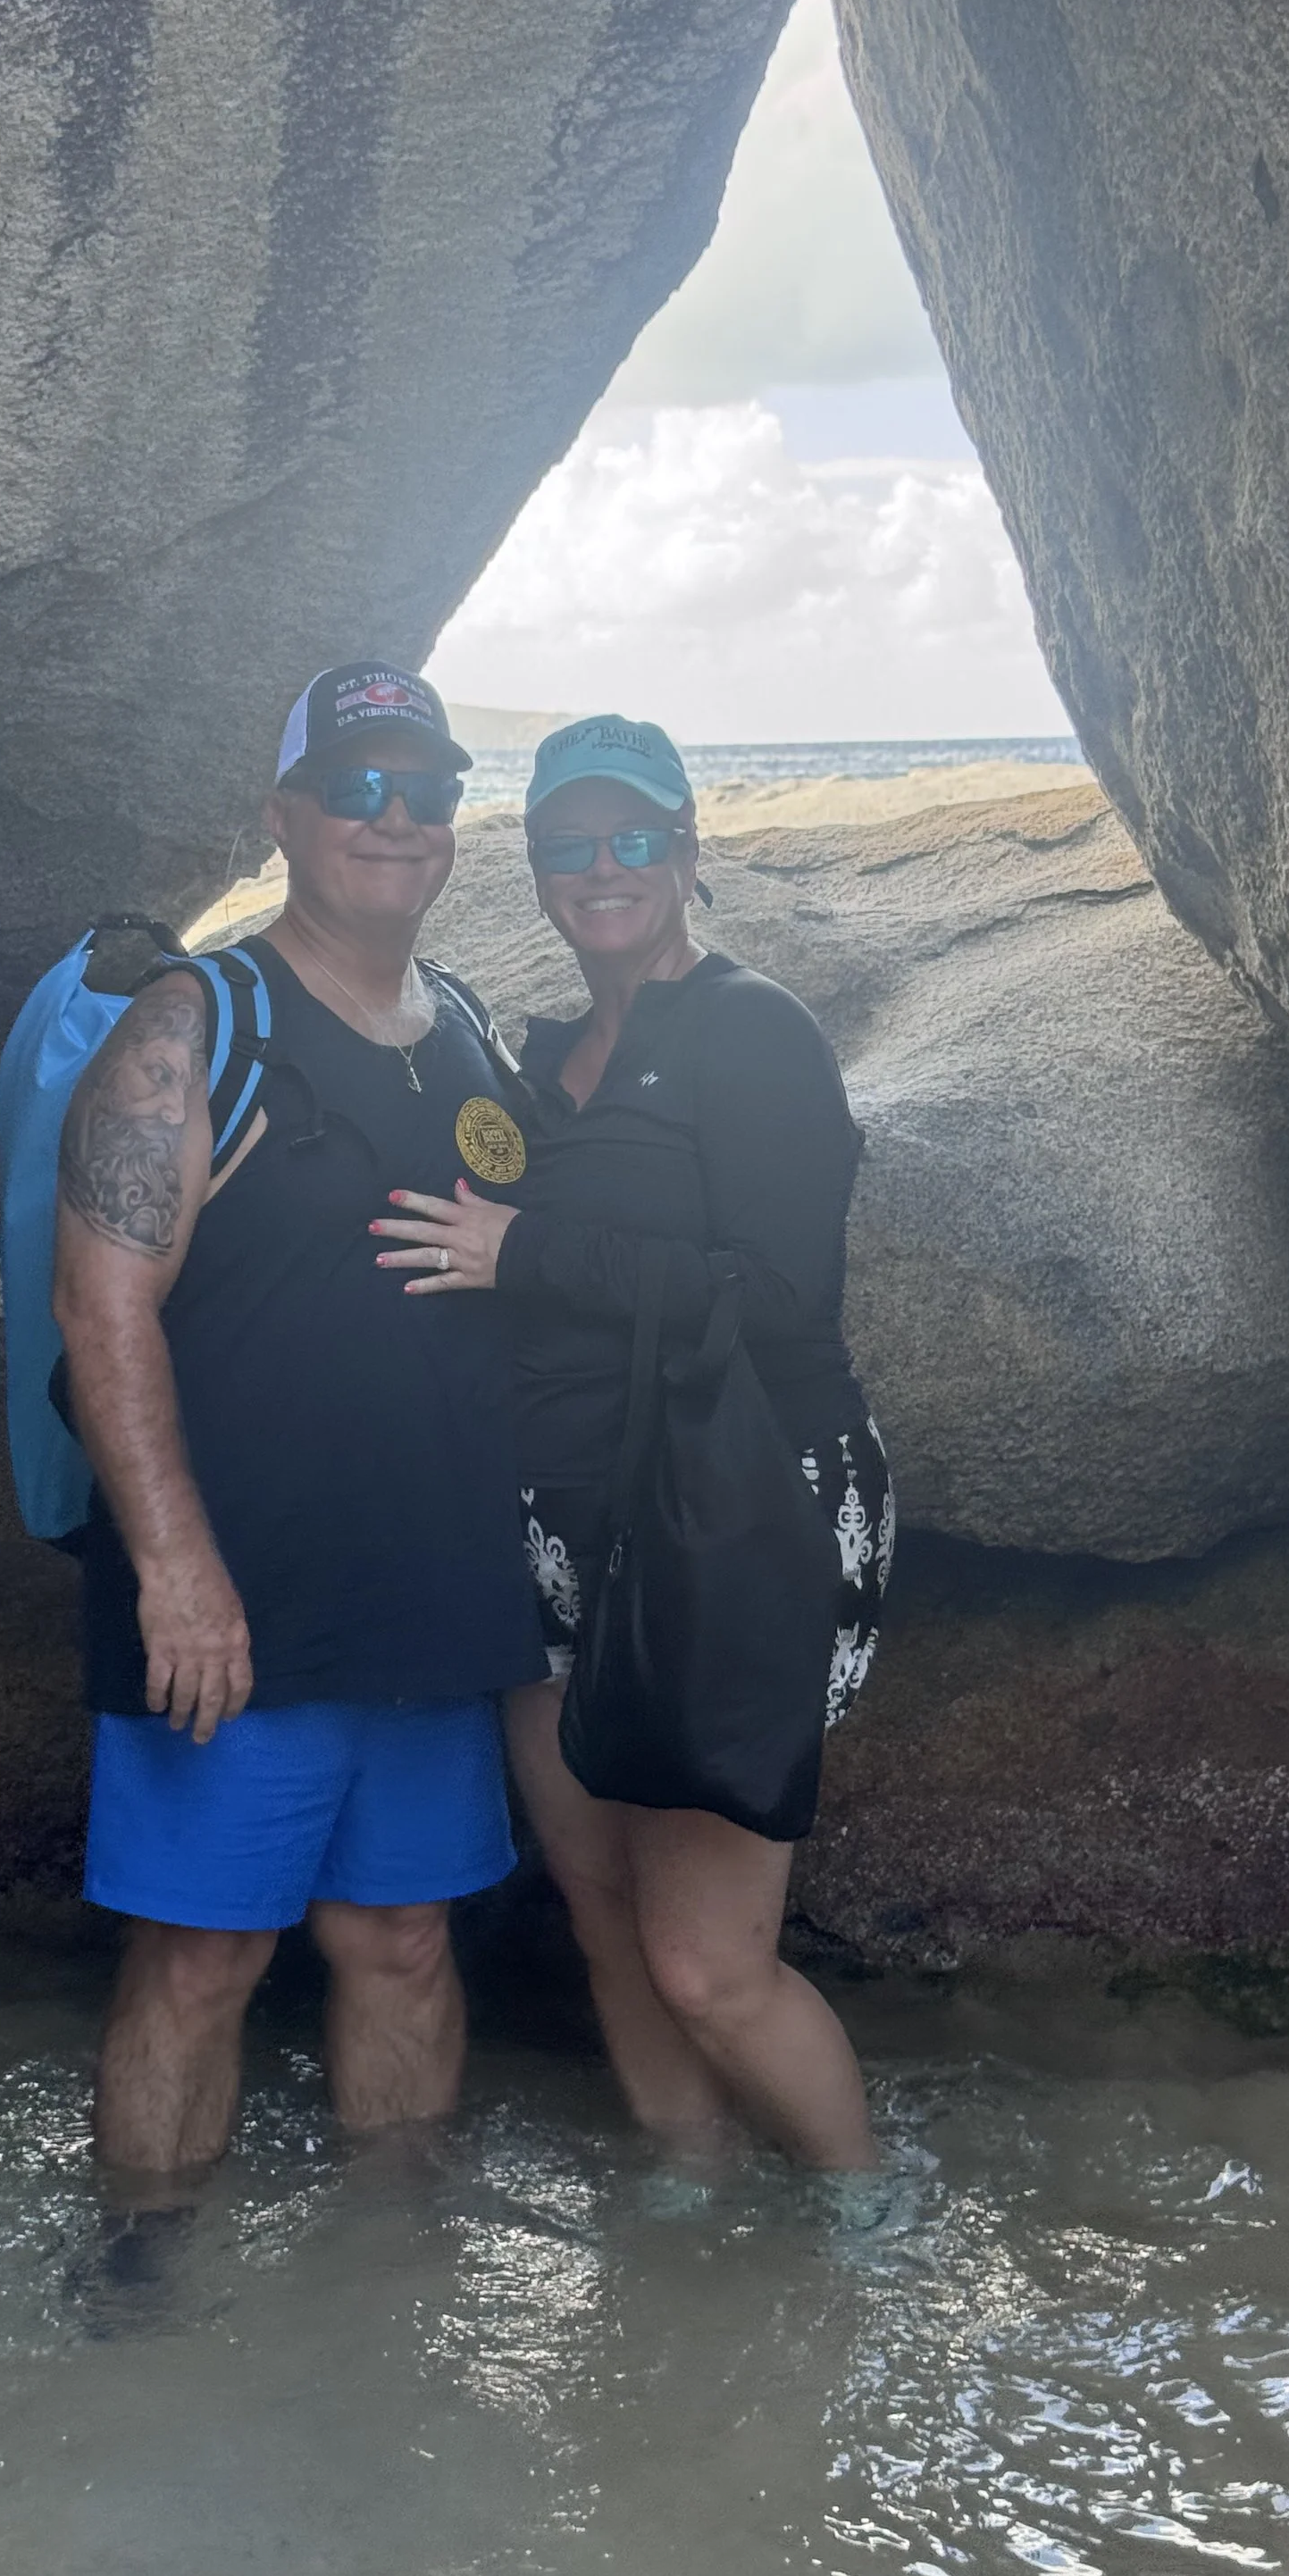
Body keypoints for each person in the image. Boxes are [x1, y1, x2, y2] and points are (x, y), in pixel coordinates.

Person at [372, 713, 891, 2178]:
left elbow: (788, 1300)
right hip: (558, 1521)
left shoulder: (751, 1031)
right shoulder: (542, 1059)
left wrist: (531, 1254)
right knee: (597, 1899)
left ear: (685, 850)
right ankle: (692, 2185)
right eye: (567, 845)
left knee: (706, 1965)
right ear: (534, 868)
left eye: (632, 837)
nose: (600, 868)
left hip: (733, 1513)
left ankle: (868, 2229)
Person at [54, 662, 544, 2199]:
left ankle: (389, 2316)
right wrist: (176, 1571)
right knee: (203, 1963)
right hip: (237, 1602)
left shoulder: (458, 1022)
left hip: (431, 1603)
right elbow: (101, 1312)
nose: (398, 820)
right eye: (360, 789)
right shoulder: (199, 1025)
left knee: (403, 1943)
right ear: (285, 817)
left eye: (429, 790)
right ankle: (139, 2299)